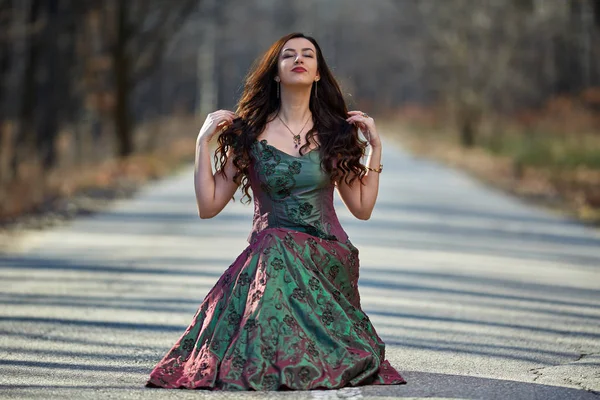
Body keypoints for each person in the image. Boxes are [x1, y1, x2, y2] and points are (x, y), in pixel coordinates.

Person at [146, 32, 406, 391]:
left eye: (307, 55)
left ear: (317, 73)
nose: (298, 59)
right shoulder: (249, 134)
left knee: (277, 247)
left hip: (325, 257)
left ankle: (282, 361)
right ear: (276, 72)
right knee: (275, 245)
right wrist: (201, 143)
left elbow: (361, 208)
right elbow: (208, 206)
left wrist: (374, 148)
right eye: (289, 55)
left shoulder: (335, 134)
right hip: (268, 258)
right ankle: (274, 363)